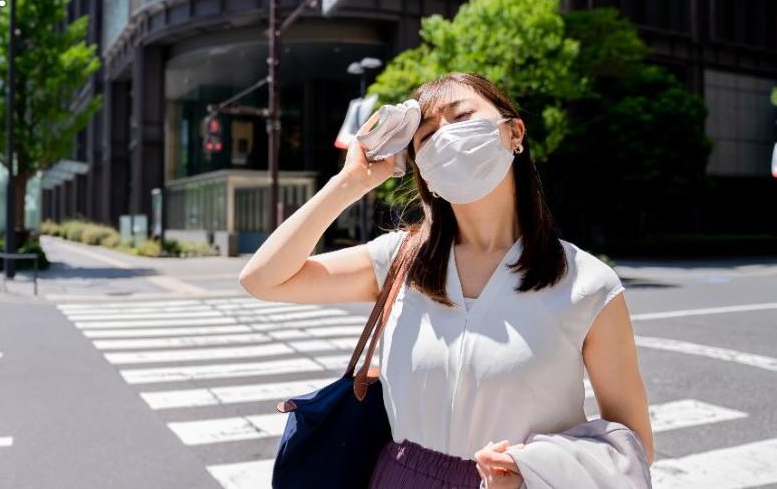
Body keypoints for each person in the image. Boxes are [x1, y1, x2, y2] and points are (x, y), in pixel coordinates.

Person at [239, 72, 655, 488]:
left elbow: (634, 445)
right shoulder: (401, 259)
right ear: (423, 169)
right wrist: (352, 182)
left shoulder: (589, 284)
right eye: (427, 135)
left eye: (461, 117)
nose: (446, 137)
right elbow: (263, 280)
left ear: (514, 132)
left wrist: (534, 470)